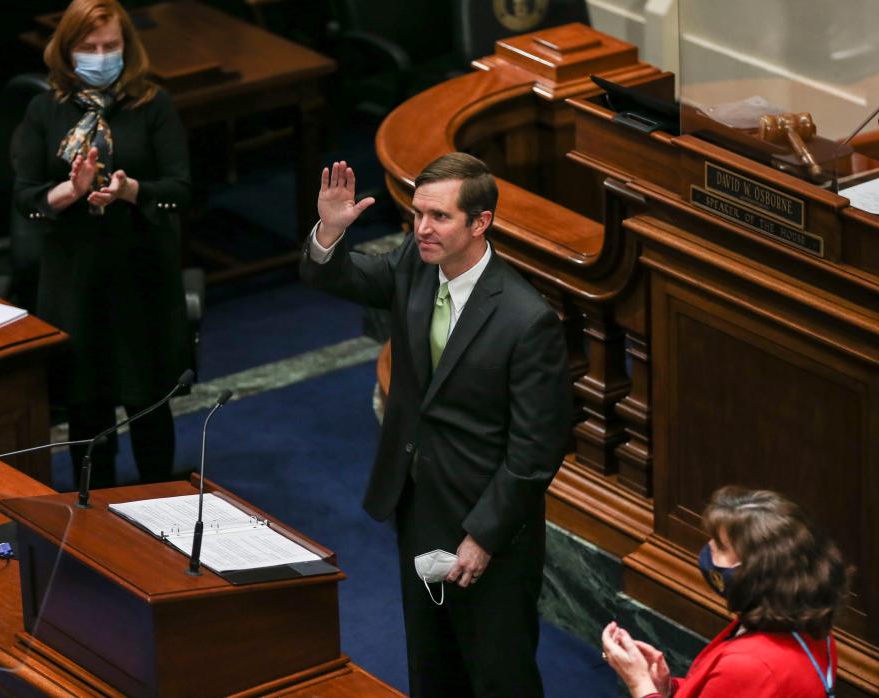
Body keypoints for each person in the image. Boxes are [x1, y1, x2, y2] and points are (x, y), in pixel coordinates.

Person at [300, 153, 572, 697]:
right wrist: (330, 228)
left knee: (499, 674)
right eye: (419, 214)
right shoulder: (414, 265)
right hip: (420, 502)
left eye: (439, 217)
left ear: (480, 223)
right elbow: (335, 274)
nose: (422, 228)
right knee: (431, 665)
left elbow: (536, 449)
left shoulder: (527, 319)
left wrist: (483, 536)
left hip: (487, 523)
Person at [13, 0, 190, 488]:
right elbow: (25, 198)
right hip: (74, 281)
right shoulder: (42, 112)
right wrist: (74, 189)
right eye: (88, 47)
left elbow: (181, 188)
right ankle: (96, 507)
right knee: (87, 407)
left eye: (109, 45)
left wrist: (129, 190)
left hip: (141, 277)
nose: (100, 57)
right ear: (67, 50)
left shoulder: (154, 106)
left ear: (126, 47)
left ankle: (161, 496)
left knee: (147, 401)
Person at [601, 486, 849, 697]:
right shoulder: (808, 626)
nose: (708, 549)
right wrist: (667, 688)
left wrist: (640, 684)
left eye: (719, 546)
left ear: (753, 572)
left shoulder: (752, 665)